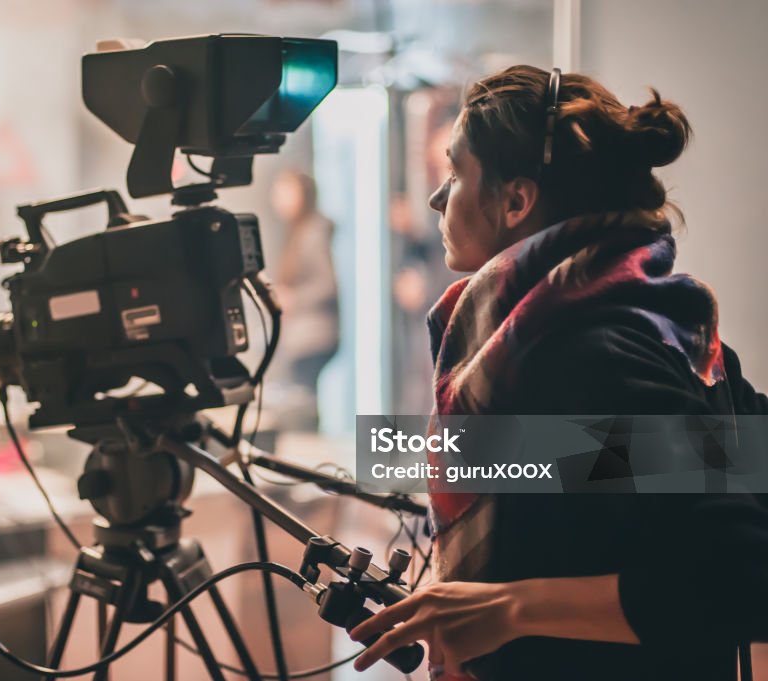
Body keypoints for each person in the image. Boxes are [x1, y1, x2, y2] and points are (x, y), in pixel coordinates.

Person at [350, 66, 768, 680]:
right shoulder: (661, 319)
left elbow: (743, 576)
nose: (438, 199)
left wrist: (510, 608)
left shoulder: (584, 352)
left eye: (455, 172)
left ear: (516, 200)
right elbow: (586, 505)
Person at [269, 169, 339, 426]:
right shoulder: (298, 232)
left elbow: (326, 284)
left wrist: (292, 299)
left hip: (313, 336)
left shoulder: (312, 233)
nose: (278, 199)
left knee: (303, 407)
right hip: (305, 335)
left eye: (285, 191)